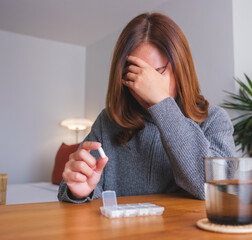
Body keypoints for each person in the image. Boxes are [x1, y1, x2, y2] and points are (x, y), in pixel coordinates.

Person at [58, 12, 235, 203]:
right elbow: (79, 192)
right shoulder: (108, 121)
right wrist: (80, 192)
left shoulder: (214, 119)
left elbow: (218, 190)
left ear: (181, 68)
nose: (147, 86)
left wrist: (162, 102)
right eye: (136, 76)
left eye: (158, 73)